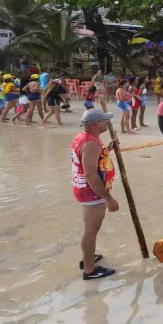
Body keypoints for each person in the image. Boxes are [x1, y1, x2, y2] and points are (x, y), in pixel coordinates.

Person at [72, 109, 119, 280]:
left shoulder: (85, 138)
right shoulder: (91, 143)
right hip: (91, 192)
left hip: (87, 190)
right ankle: (89, 270)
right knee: (90, 231)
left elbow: (94, 160)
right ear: (97, 124)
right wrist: (108, 198)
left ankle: (88, 257)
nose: (108, 123)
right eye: (105, 120)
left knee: (91, 230)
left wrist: (108, 150)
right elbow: (90, 174)